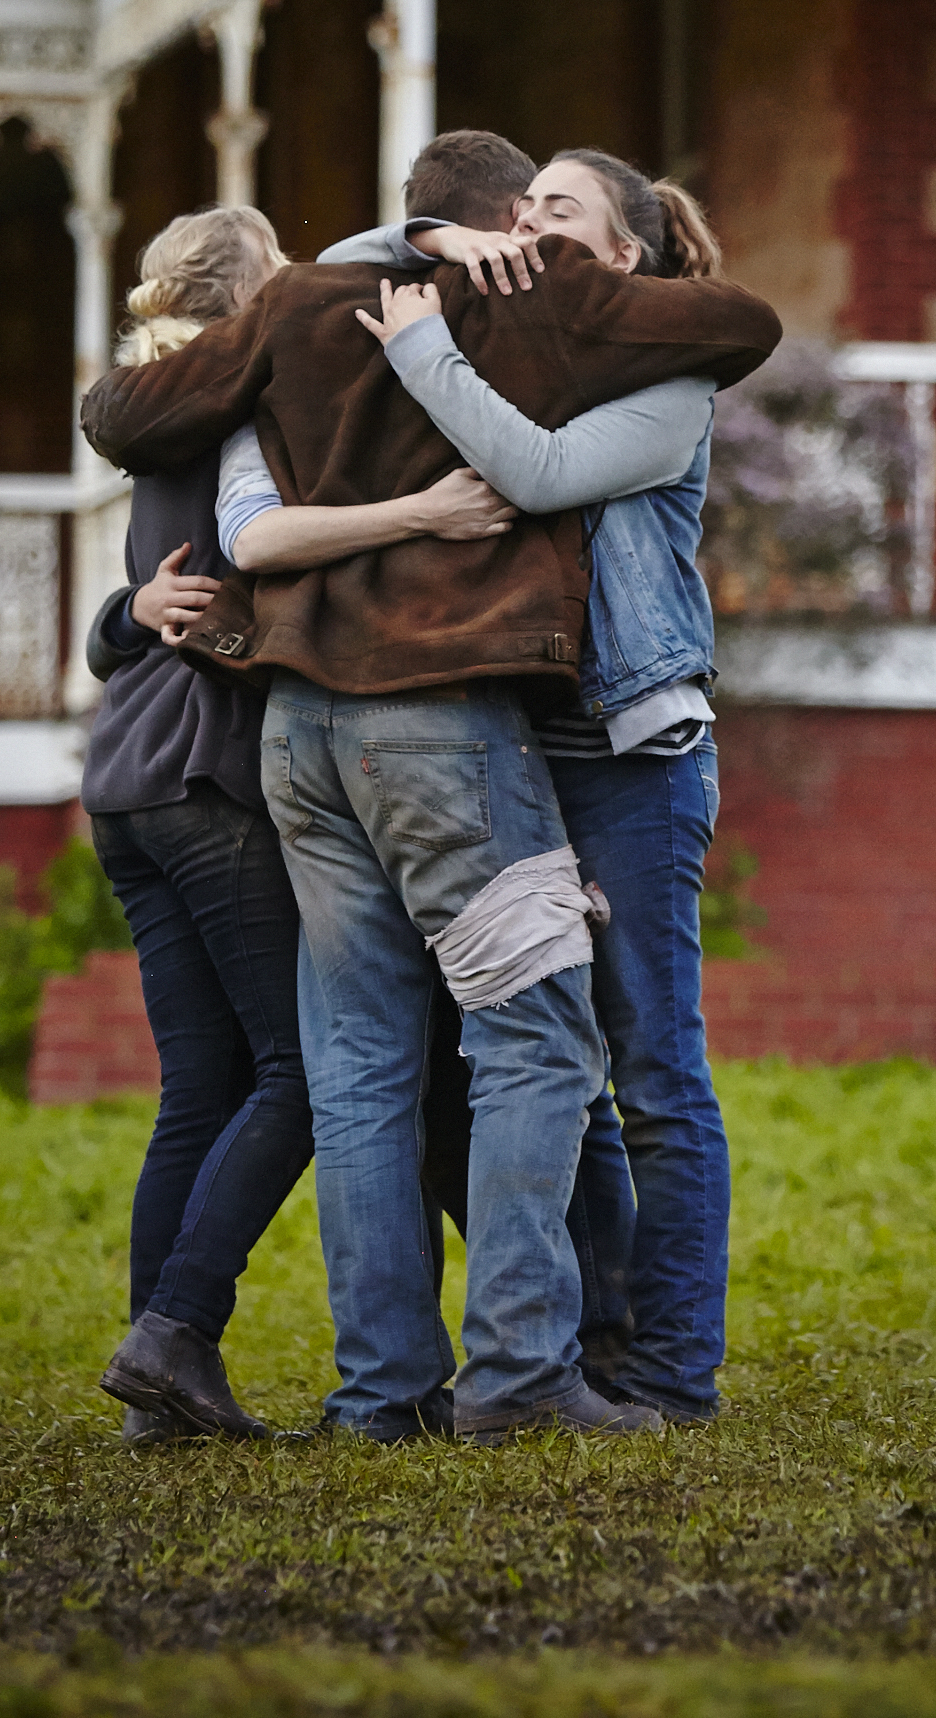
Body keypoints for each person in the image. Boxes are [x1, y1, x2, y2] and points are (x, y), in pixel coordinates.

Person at [79, 131, 781, 1444]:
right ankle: (524, 1378)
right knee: (538, 1046)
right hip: (443, 723)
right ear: (511, 214)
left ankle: (379, 1397)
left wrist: (386, 266)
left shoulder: (300, 302)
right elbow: (747, 319)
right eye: (541, 211)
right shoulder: (544, 304)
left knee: (359, 1071)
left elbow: (119, 412)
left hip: (301, 732)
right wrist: (446, 283)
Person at [283, 149, 737, 1424]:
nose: (530, 224)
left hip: (635, 760)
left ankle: (672, 1367)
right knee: (558, 1062)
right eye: (523, 206)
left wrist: (429, 352)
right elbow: (338, 274)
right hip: (525, 748)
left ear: (628, 256)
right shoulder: (517, 335)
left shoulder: (670, 380)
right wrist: (435, 231)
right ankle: (591, 1336)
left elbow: (532, 474)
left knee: (654, 1073)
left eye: (563, 211)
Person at [73, 206, 514, 1444]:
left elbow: (146, 598)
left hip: (127, 783)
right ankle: (173, 1331)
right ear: (257, 295)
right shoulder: (230, 401)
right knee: (304, 1074)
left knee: (199, 1087)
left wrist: (124, 613)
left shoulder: (161, 399)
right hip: (208, 773)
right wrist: (425, 512)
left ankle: (163, 1387)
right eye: (284, 283)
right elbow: (240, 567)